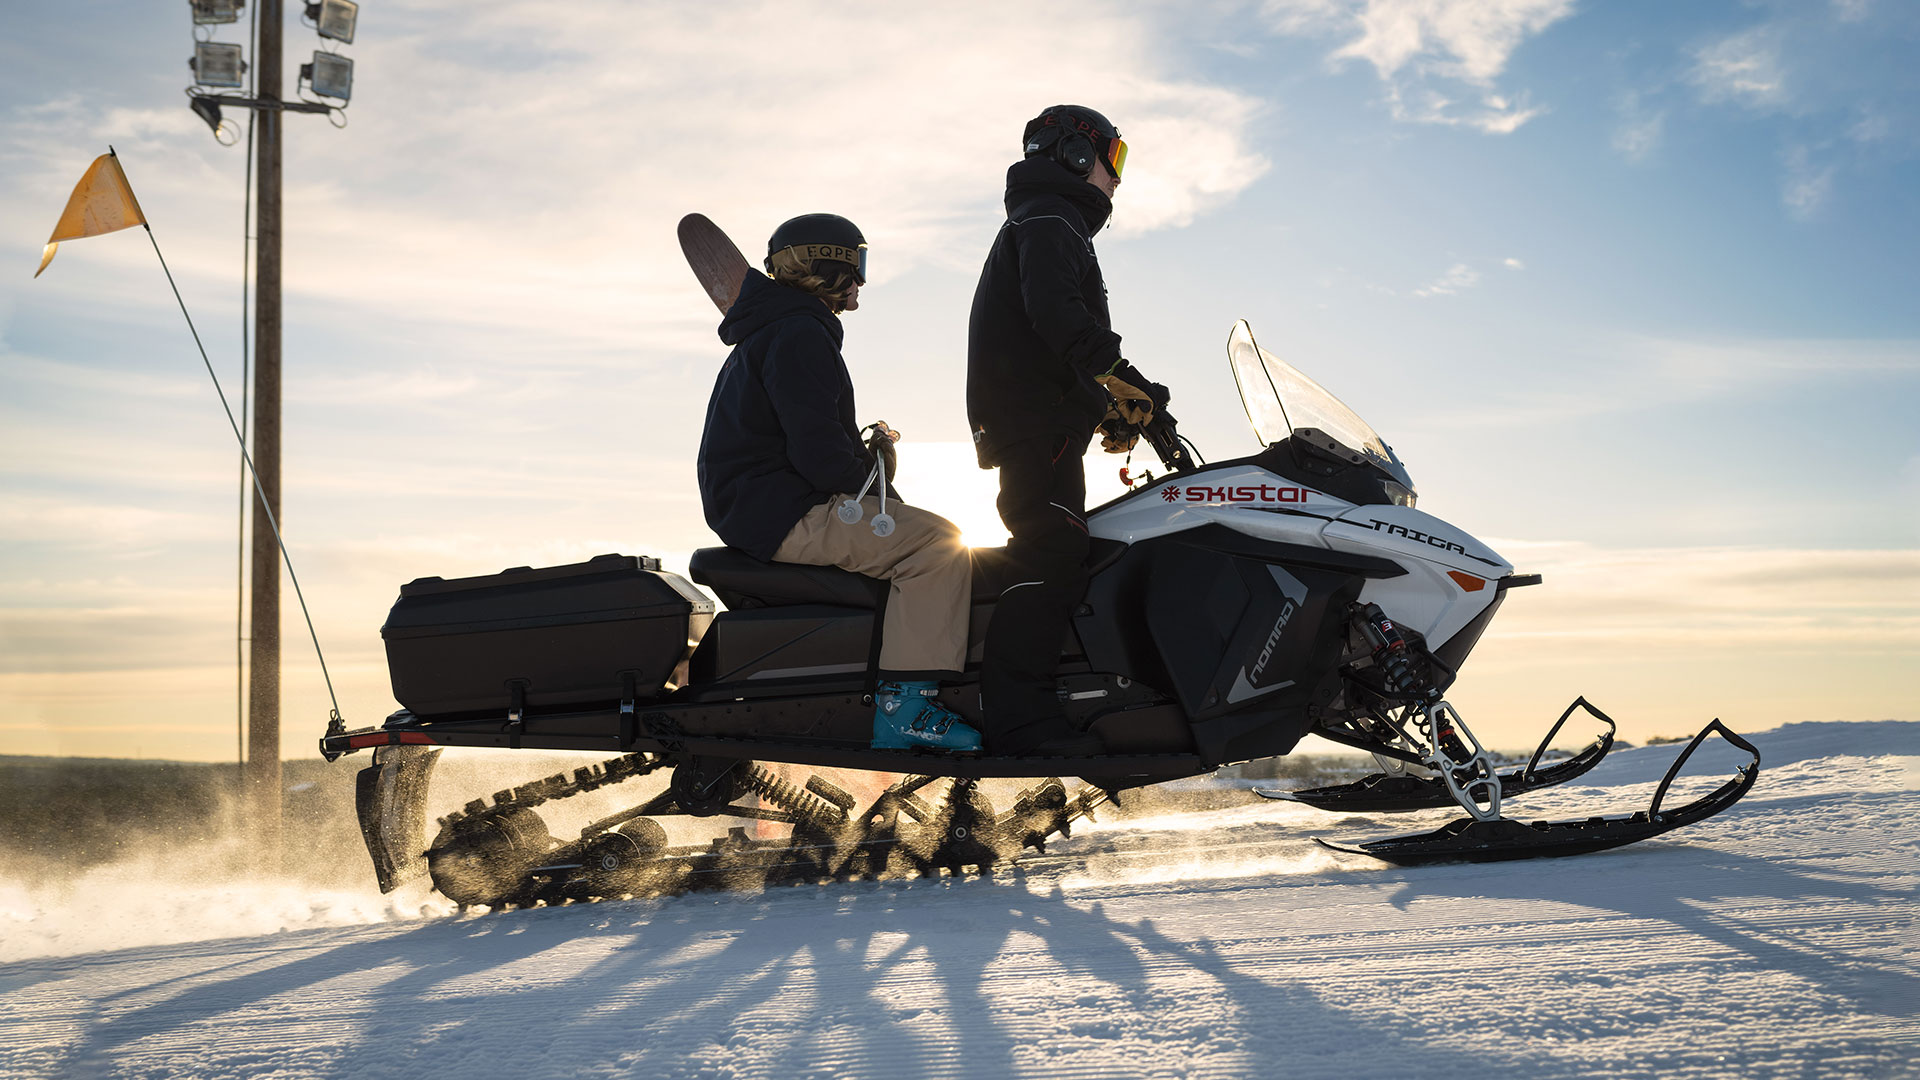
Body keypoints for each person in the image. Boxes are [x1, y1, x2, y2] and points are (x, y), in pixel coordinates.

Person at [697, 213, 982, 753]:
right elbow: (820, 455)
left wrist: (872, 472)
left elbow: (812, 438)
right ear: (827, 267)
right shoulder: (799, 332)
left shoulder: (776, 331)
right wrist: (876, 481)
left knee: (921, 532)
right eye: (858, 266)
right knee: (936, 545)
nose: (862, 283)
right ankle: (904, 710)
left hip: (762, 504)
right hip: (782, 510)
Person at [966, 105, 1168, 757]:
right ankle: (1019, 720)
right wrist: (1119, 377)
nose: (1118, 177)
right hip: (1035, 419)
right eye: (1116, 158)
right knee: (1050, 549)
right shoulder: (1052, 218)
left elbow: (1043, 337)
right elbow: (1057, 314)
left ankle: (1068, 696)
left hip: (1041, 414)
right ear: (1077, 156)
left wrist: (1103, 404)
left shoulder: (1048, 220)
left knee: (1063, 545)